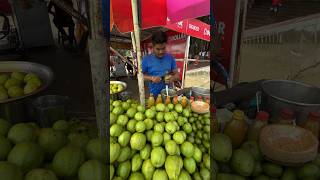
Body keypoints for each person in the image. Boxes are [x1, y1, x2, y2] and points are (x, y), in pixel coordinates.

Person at [142, 31, 180, 96]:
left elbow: (177, 76)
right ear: (153, 47)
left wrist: (172, 78)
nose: (161, 52)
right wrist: (151, 78)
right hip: (154, 95)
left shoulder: (170, 58)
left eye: (163, 48)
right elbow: (140, 77)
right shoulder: (146, 59)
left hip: (169, 94)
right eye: (158, 49)